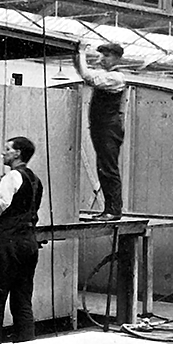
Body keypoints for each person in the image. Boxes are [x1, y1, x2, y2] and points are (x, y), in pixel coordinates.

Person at [0, 136, 43, 344]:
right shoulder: (35, 180)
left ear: (17, 154)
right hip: (29, 243)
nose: (3, 153)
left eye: (7, 149)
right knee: (22, 300)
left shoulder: (11, 177)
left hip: (9, 245)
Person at [73, 42, 126, 221]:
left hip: (109, 129)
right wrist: (77, 55)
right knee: (104, 168)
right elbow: (84, 73)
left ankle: (113, 210)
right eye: (101, 55)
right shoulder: (106, 75)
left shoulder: (116, 78)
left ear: (117, 58)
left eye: (107, 56)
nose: (102, 59)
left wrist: (81, 53)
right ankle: (110, 209)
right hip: (103, 128)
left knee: (108, 168)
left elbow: (88, 77)